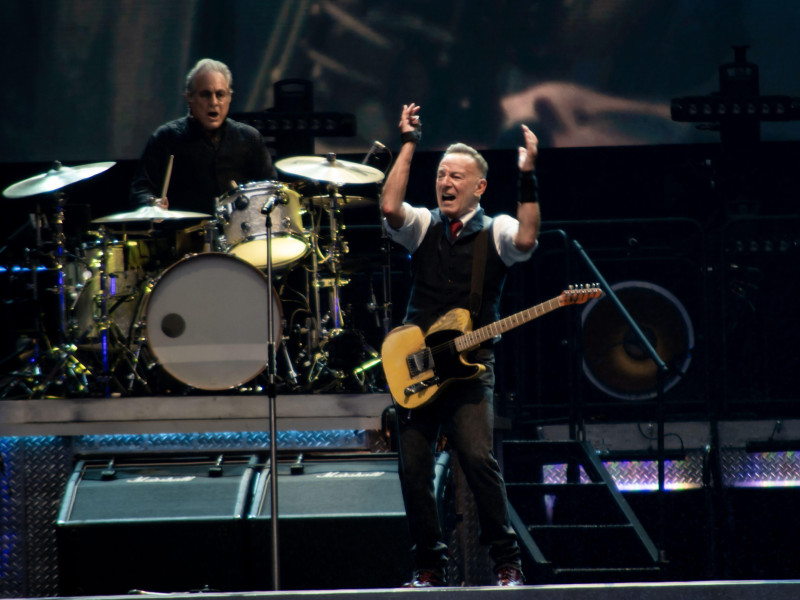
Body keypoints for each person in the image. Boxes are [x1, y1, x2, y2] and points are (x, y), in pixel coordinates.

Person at [380, 102, 540, 587]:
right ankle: (428, 565)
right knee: (413, 468)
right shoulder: (424, 225)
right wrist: (409, 143)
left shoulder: (497, 231)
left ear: (479, 187)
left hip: (470, 368)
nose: (445, 183)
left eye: (456, 177)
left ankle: (507, 561)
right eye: (441, 174)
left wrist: (529, 175)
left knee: (476, 457)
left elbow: (529, 239)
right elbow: (389, 207)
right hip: (416, 365)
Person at [130, 58, 276, 214]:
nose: (213, 102)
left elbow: (271, 188)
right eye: (205, 95)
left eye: (220, 94)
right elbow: (139, 190)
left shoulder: (249, 138)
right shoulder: (166, 138)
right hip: (184, 233)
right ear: (189, 98)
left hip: (238, 233)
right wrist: (153, 203)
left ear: (229, 98)